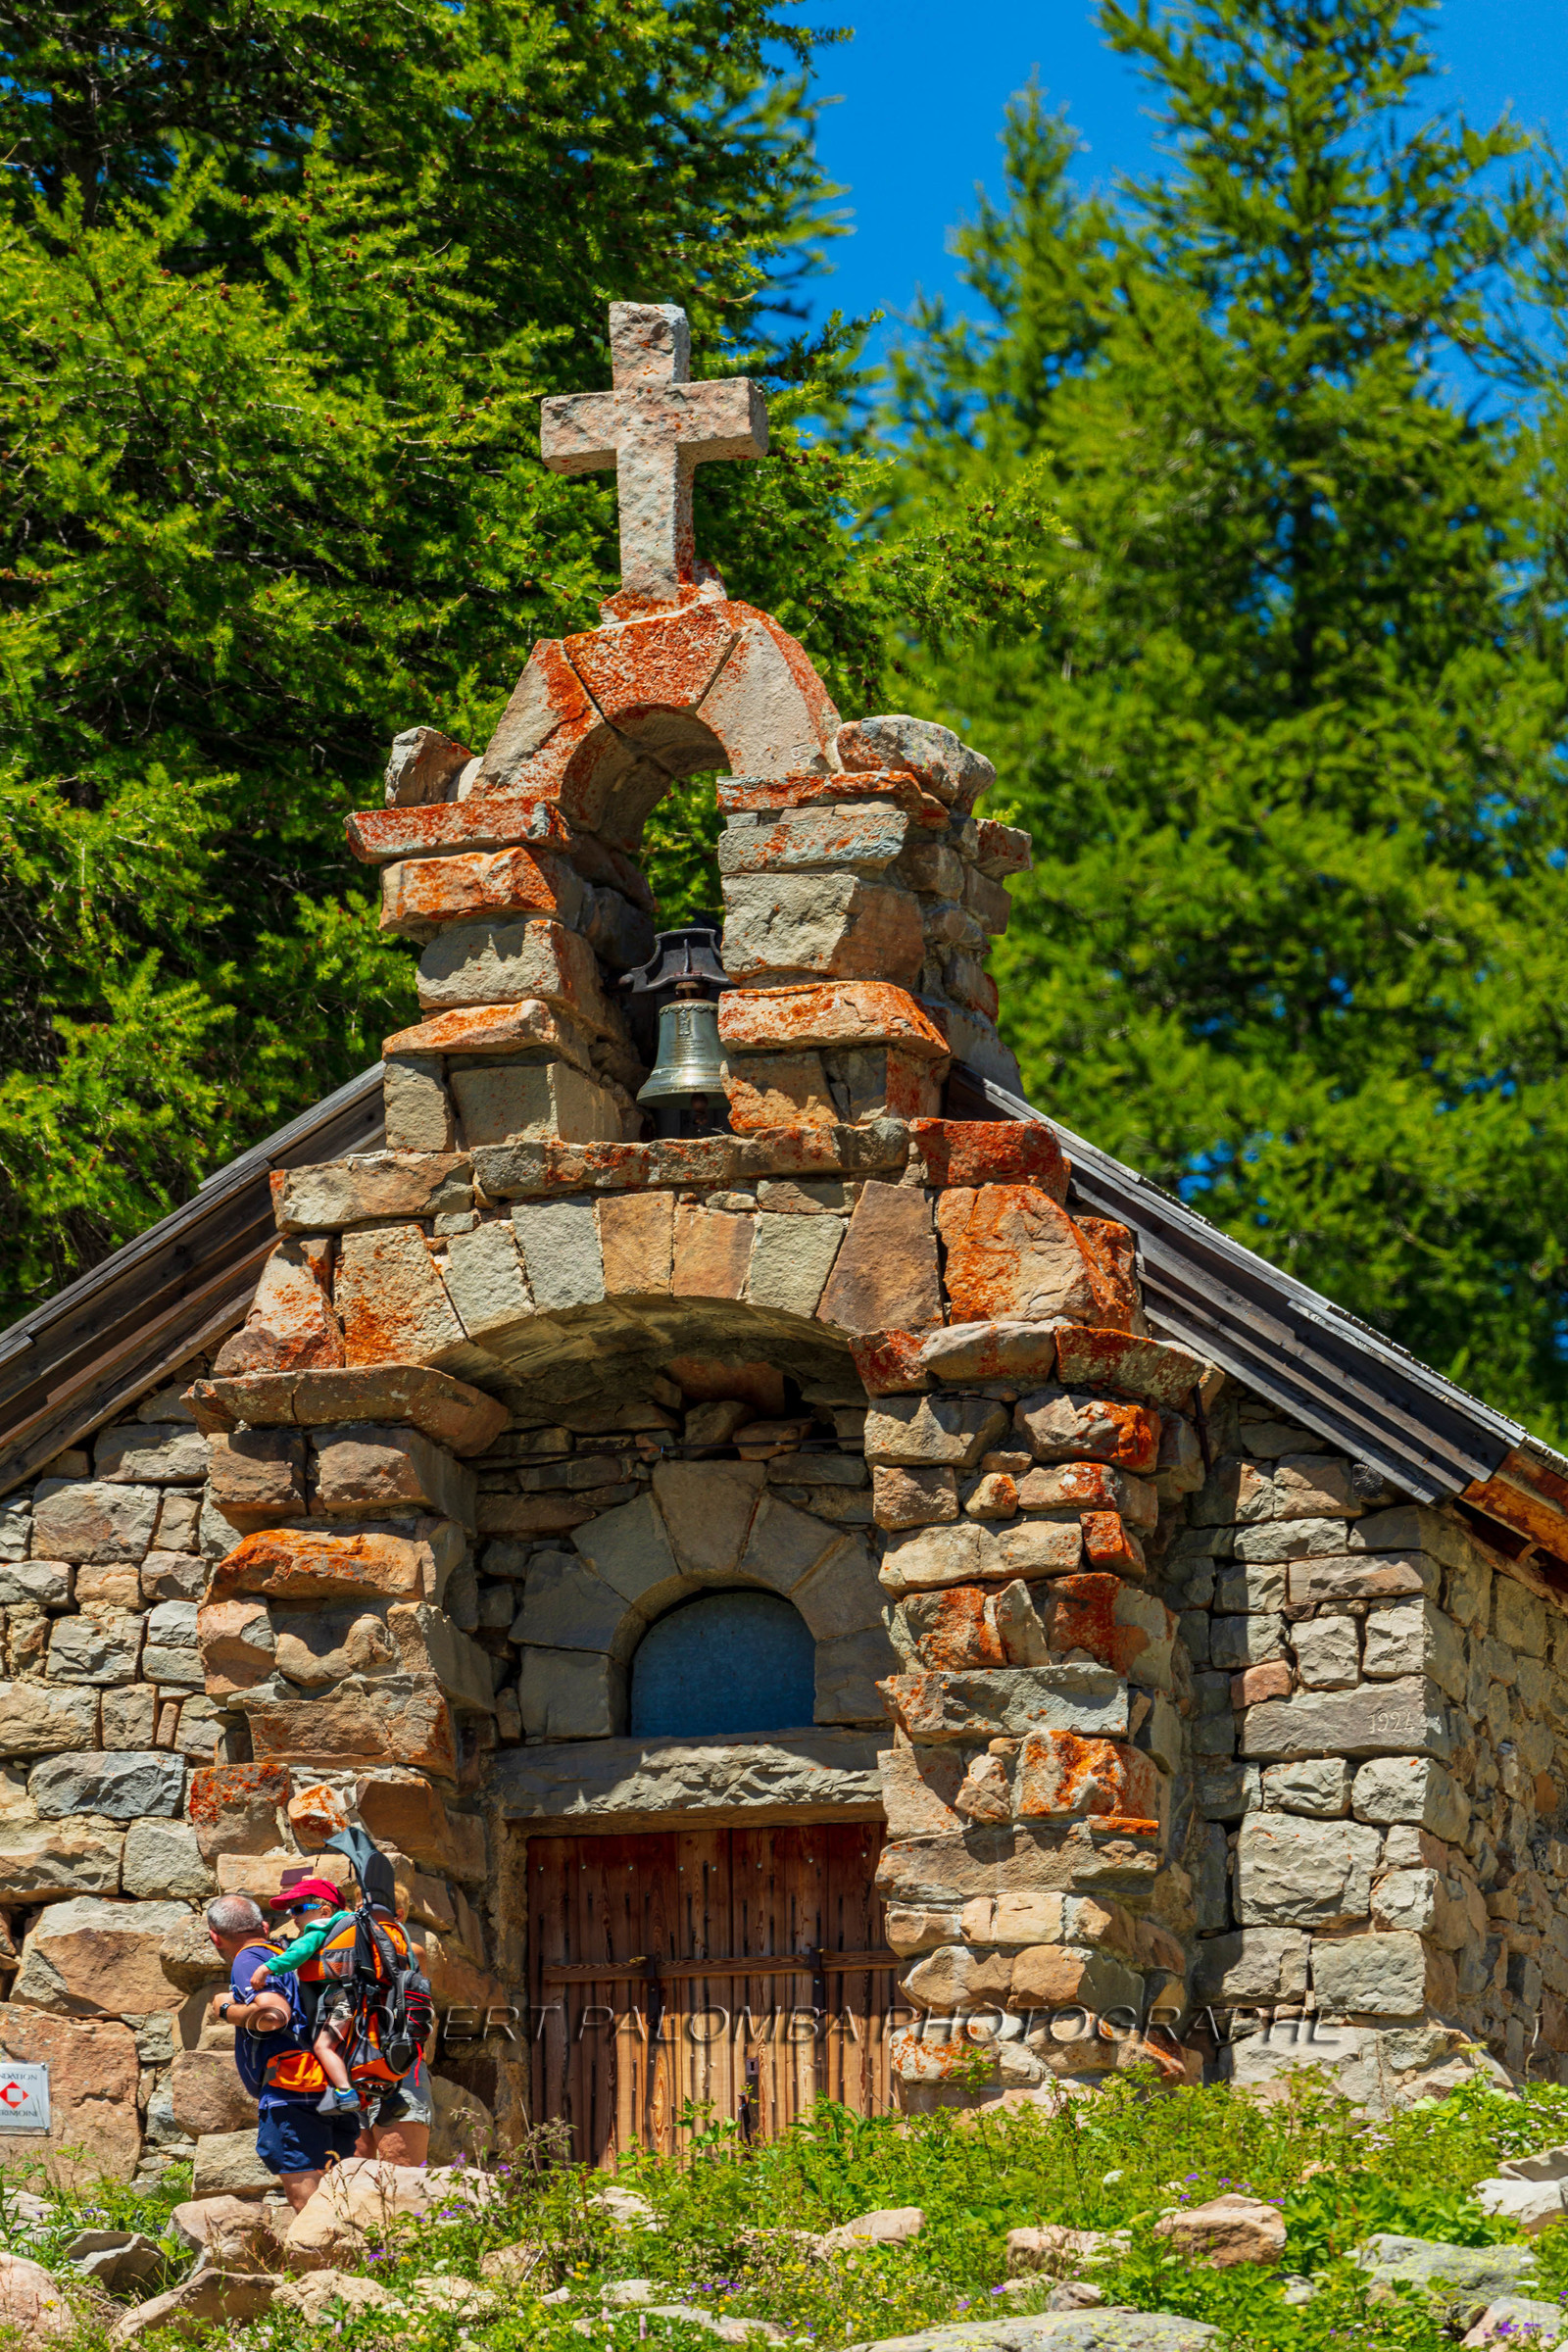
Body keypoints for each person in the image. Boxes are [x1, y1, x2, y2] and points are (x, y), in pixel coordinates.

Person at [205, 1892, 362, 2214]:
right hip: (330, 2084)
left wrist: (224, 2008)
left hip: (293, 2093)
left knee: (308, 2201)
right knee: (344, 2193)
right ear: (263, 1926)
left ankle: (328, 2262)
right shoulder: (293, 1955)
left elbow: (273, 2016)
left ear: (215, 1938)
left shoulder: (249, 1960)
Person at [248, 1881, 366, 2119]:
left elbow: (298, 1954)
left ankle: (346, 2092)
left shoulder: (318, 1929)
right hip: (359, 1997)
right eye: (290, 1911)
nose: (293, 1916)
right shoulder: (345, 1927)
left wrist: (267, 1968)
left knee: (323, 2046)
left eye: (299, 1909)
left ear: (324, 1911)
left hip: (342, 1999)